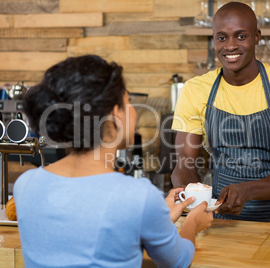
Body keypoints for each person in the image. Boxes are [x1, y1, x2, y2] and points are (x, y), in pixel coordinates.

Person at [14, 55, 213, 267]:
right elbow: (178, 260)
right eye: (128, 102)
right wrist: (192, 223)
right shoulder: (137, 196)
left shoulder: (26, 184)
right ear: (116, 113)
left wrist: (158, 215)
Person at [171, 2, 270, 223]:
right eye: (222, 38)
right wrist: (193, 195)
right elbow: (184, 163)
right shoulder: (195, 90)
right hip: (219, 224)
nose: (230, 46)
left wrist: (247, 191)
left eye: (240, 36)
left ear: (257, 36)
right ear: (213, 40)